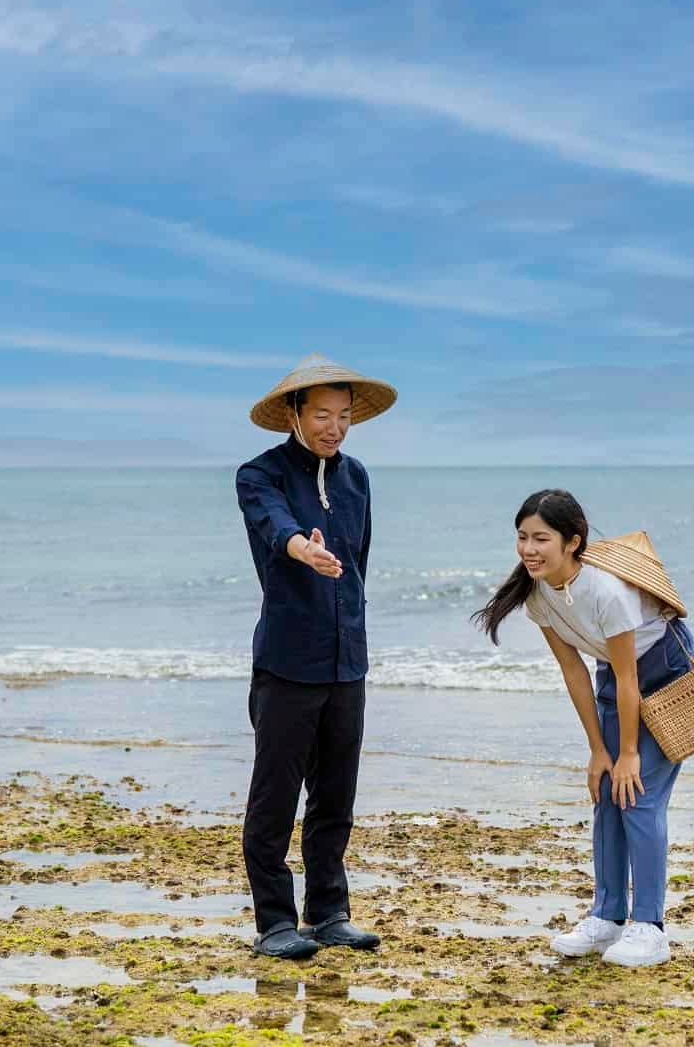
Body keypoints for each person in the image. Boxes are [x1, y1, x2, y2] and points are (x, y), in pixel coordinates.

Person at [471, 488, 694, 968]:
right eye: (522, 538)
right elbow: (575, 672)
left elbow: (629, 676)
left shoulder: (606, 591)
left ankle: (650, 928)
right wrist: (599, 751)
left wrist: (630, 752)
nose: (529, 549)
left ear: (572, 542)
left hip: (663, 670)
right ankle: (607, 917)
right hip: (615, 676)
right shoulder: (536, 595)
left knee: (636, 793)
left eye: (541, 539)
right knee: (606, 789)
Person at [233, 353, 397, 960]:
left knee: (336, 796)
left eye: (344, 416)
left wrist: (348, 617)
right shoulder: (260, 474)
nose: (334, 427)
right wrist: (302, 548)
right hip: (286, 662)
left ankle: (329, 912)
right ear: (295, 415)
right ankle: (275, 922)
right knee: (274, 796)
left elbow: (358, 565)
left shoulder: (357, 478)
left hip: (347, 660)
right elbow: (274, 524)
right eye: (322, 414)